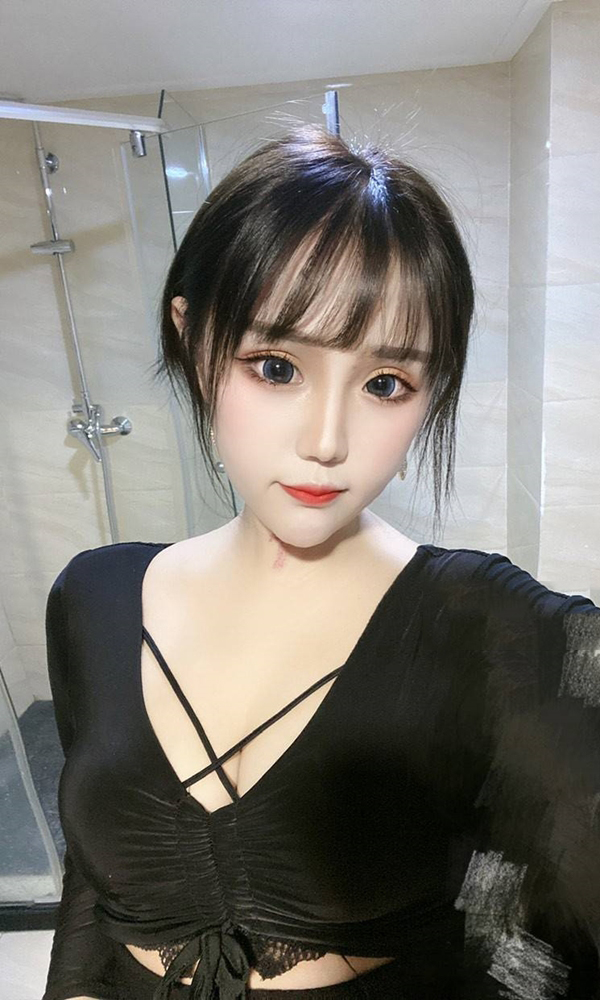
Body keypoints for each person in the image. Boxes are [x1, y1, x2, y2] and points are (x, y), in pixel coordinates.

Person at [41, 124, 600, 1000]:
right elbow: (89, 883)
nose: (327, 441)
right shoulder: (95, 597)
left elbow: (559, 936)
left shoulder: (497, 630)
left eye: (385, 384)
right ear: (192, 339)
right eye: (276, 367)